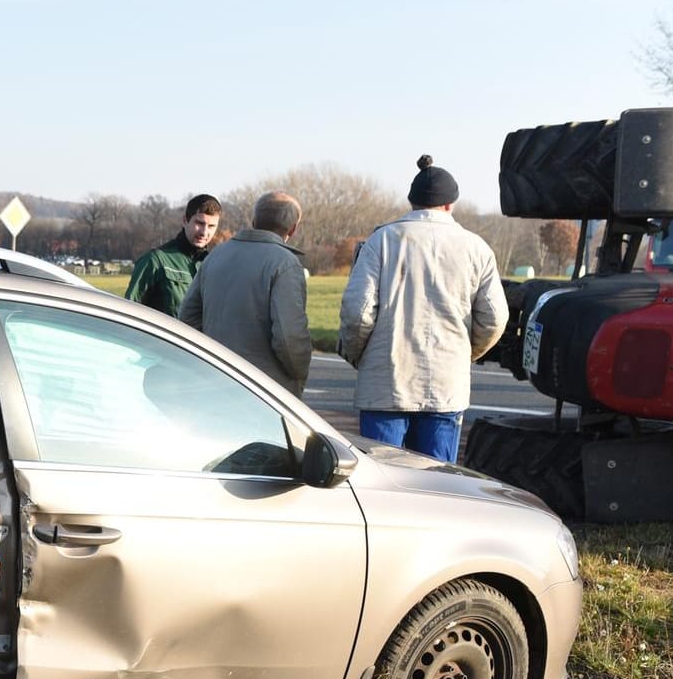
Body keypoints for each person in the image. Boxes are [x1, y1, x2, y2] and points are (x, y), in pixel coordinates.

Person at [339, 156, 507, 463]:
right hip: (445, 382)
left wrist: (357, 353)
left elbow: (357, 312)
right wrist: (466, 352)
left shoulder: (382, 240)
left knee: (380, 479)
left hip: (385, 381)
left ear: (412, 201)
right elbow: (495, 317)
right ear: (450, 204)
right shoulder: (476, 247)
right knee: (438, 485)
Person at [177, 192, 312, 394]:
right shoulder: (284, 263)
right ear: (292, 229)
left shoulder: (216, 255)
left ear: (254, 220)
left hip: (214, 379)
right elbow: (288, 337)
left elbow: (188, 318)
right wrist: (299, 375)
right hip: (265, 390)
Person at [126, 194, 222, 316]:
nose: (204, 232)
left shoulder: (213, 265)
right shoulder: (155, 261)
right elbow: (130, 313)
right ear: (185, 221)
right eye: (199, 223)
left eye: (211, 226)